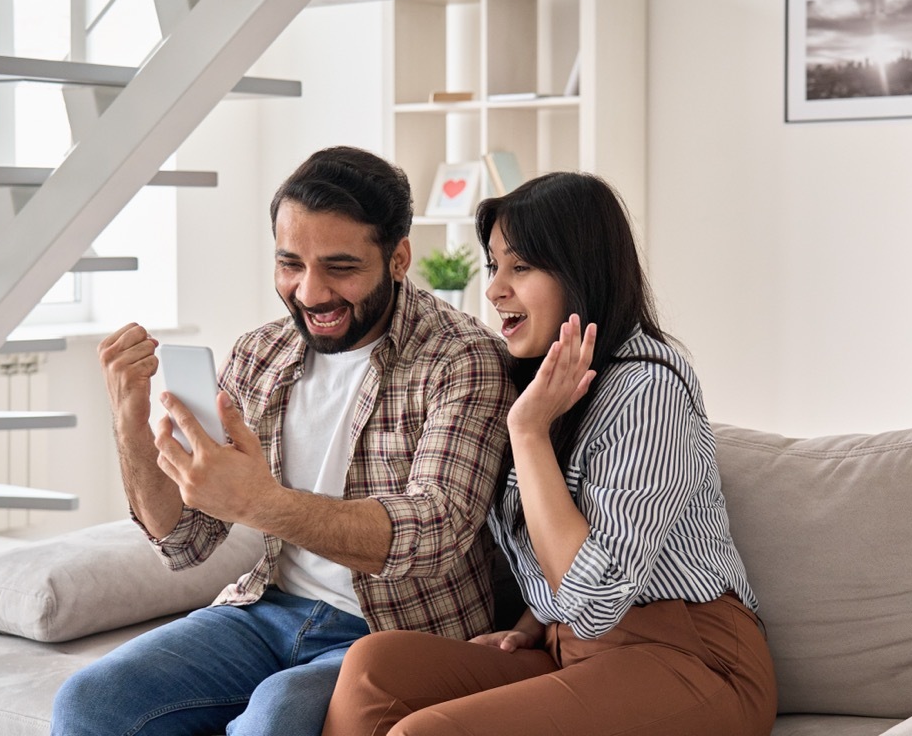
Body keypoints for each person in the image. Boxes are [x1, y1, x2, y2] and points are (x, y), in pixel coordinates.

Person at [51, 146, 516, 736]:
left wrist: (260, 503)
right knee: (90, 702)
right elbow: (185, 541)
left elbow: (434, 532)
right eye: (290, 263)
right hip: (265, 610)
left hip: (396, 635)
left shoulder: (462, 359)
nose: (310, 292)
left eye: (340, 267)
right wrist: (128, 422)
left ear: (398, 258)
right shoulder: (259, 354)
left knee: (272, 720)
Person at [323, 172, 778, 736]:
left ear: (580, 272)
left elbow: (594, 599)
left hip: (695, 662)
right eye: (494, 267)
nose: (493, 290)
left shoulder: (649, 389)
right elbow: (559, 552)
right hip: (574, 649)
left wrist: (529, 432)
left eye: (521, 267)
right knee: (373, 668)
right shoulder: (544, 382)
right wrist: (534, 620)